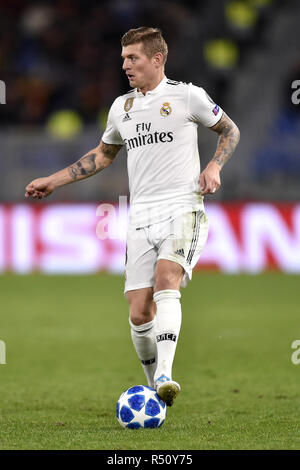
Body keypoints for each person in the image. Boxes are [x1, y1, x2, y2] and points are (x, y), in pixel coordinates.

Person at [25, 27, 240, 407]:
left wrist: (214, 167)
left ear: (157, 59)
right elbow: (103, 156)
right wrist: (53, 182)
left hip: (183, 207)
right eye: (123, 58)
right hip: (140, 215)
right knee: (140, 311)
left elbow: (230, 130)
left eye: (132, 58)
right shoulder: (121, 108)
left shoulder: (187, 96)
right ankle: (155, 392)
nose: (124, 65)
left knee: (166, 279)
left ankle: (165, 374)